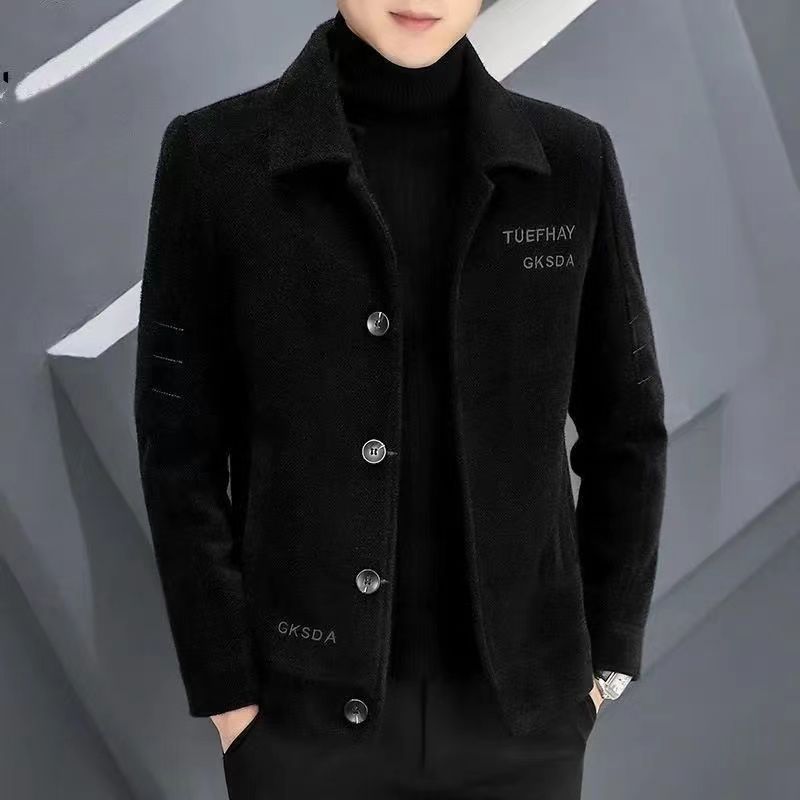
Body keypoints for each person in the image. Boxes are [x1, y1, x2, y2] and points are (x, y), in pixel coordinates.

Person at [133, 2, 668, 798]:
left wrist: (605, 662)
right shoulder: (217, 158)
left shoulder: (571, 161)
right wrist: (228, 693)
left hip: (525, 730)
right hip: (300, 726)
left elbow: (628, 427)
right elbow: (178, 445)